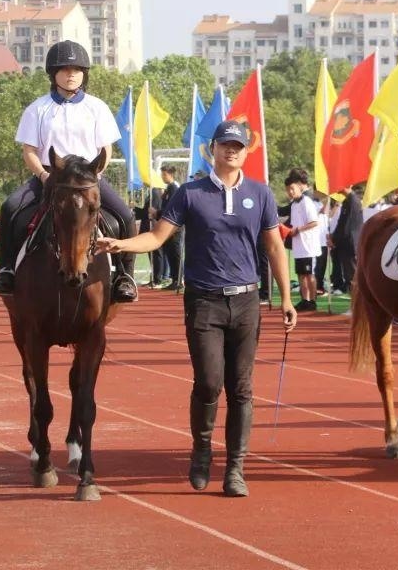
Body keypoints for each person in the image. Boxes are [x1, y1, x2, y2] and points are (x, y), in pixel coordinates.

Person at [97, 120, 297, 497]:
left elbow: (273, 248)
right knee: (209, 383)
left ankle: (235, 468)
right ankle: (201, 450)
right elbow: (157, 237)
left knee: (241, 388)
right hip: (204, 300)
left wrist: (285, 298)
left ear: (246, 151)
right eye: (225, 144)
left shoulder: (261, 194)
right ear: (213, 150)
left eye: (238, 145)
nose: (231, 151)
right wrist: (121, 245)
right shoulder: (190, 193)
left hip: (247, 300)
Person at [0, 40, 137, 302]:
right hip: (51, 175)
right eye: (64, 69)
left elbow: (105, 149)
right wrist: (44, 176)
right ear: (53, 73)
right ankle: (7, 270)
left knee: (125, 215)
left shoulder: (97, 107)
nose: (71, 74)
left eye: (77, 69)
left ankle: (125, 277)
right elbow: (29, 151)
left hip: (87, 177)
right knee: (10, 208)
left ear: (84, 73)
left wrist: (95, 175)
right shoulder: (37, 108)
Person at [285, 168, 320, 311]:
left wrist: (298, 230)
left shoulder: (307, 202)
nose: (290, 192)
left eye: (292, 189)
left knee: (309, 274)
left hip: (309, 246)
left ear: (299, 186)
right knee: (300, 274)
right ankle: (304, 299)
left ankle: (312, 299)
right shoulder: (294, 204)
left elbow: (314, 222)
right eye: (288, 190)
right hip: (298, 246)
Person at [159, 164, 184, 290]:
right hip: (167, 227)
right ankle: (174, 278)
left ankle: (179, 280)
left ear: (171, 174)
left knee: (175, 252)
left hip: (175, 227)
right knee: (169, 252)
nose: (162, 177)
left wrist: (157, 212)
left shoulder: (175, 188)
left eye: (164, 174)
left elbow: (172, 208)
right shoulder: (169, 188)